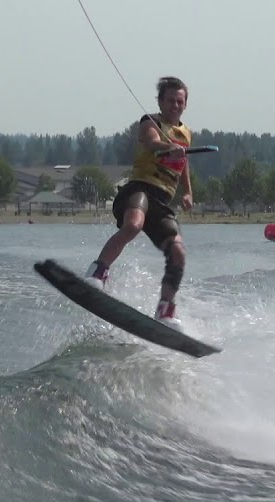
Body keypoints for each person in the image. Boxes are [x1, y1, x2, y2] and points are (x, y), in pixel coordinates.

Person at [85, 76, 194, 325]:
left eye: (180, 101)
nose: (175, 106)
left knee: (178, 253)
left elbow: (184, 162)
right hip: (140, 190)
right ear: (160, 101)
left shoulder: (186, 134)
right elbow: (152, 142)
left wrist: (187, 192)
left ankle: (165, 310)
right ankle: (98, 272)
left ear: (185, 104)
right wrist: (168, 147)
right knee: (133, 225)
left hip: (162, 201)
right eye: (170, 101)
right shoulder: (150, 122)